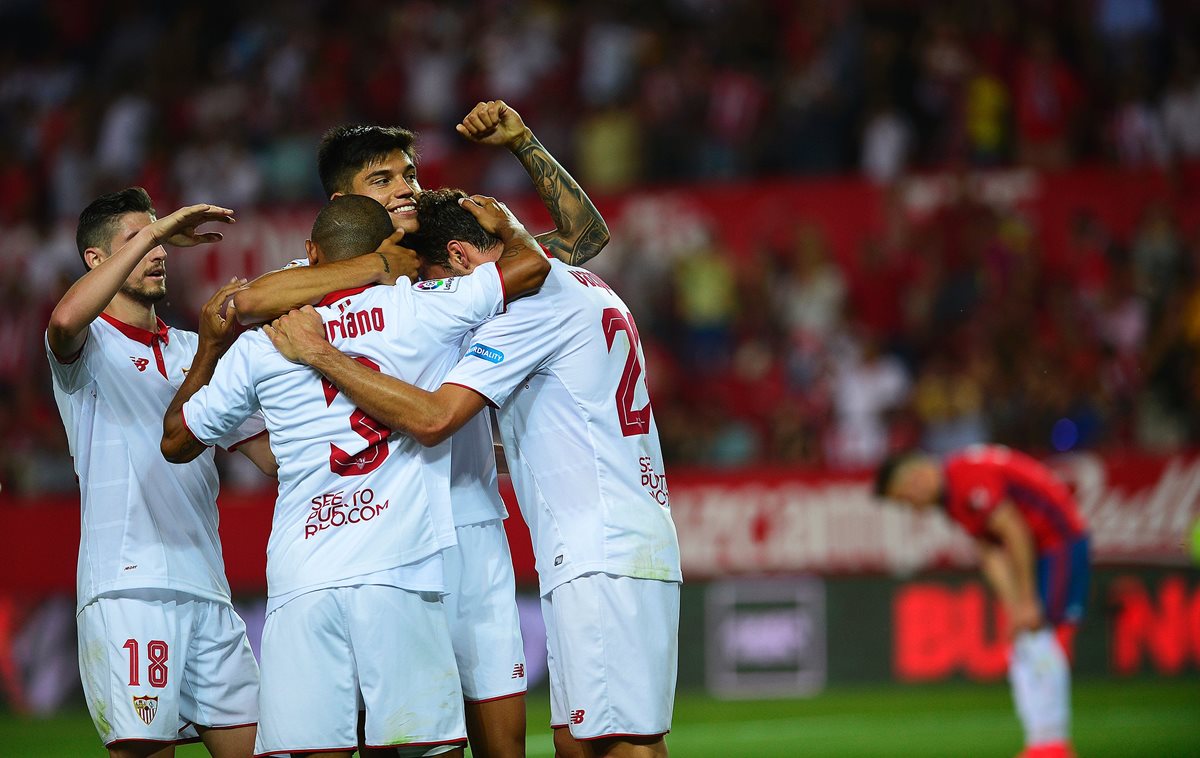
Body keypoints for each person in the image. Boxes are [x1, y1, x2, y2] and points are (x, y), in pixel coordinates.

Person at [230, 100, 609, 758]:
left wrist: (522, 143)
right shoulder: (308, 281)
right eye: (384, 179)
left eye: (409, 172)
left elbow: (582, 240)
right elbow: (245, 303)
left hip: (468, 523)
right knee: (372, 736)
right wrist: (375, 268)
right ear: (342, 199)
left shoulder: (453, 261)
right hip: (372, 540)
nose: (407, 185)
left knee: (500, 739)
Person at [265, 190, 681, 758]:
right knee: (580, 742)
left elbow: (435, 418)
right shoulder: (577, 281)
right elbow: (584, 239)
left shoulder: (523, 312)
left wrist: (322, 354)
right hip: (606, 540)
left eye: (438, 281)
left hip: (601, 548)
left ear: (460, 258)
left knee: (621, 744)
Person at [160, 193, 550, 758]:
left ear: (313, 256)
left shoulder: (262, 344)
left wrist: (210, 351)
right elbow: (531, 266)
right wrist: (503, 223)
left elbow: (175, 441)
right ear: (388, 250)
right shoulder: (424, 306)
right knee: (424, 749)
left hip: (302, 579)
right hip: (401, 571)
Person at [46, 188, 276, 758]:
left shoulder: (198, 350)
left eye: (159, 242)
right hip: (130, 585)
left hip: (208, 586)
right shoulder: (87, 346)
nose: (158, 252)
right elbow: (64, 318)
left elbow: (272, 456)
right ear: (96, 260)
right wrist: (158, 228)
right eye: (137, 240)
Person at [874, 445, 1090, 758]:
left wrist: (1027, 600)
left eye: (906, 499)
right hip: (1040, 551)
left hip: (1058, 543)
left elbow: (1015, 531)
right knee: (1025, 642)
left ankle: (1053, 746)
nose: (913, 508)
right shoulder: (951, 498)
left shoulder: (964, 477)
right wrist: (1014, 607)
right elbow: (990, 552)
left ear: (918, 477)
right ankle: (1041, 744)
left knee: (1043, 638)